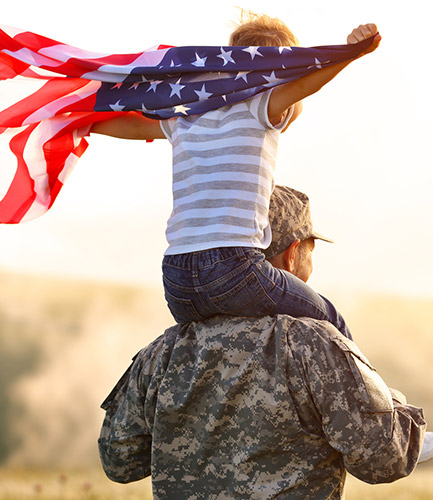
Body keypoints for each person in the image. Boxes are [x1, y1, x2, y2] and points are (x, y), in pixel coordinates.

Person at [98, 185, 433, 499]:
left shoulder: (163, 351)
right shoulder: (313, 343)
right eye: (310, 251)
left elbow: (120, 462)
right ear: (292, 254)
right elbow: (383, 459)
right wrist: (394, 404)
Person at [90, 13, 379, 339]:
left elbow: (130, 125)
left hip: (177, 283)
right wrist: (350, 53)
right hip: (233, 271)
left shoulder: (188, 112)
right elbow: (304, 86)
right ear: (276, 75)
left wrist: (78, 122)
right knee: (332, 320)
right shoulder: (259, 105)